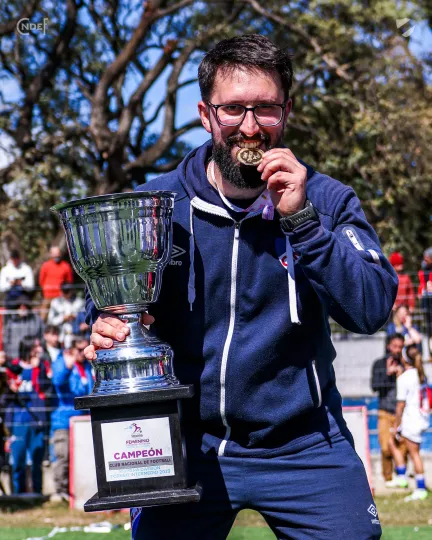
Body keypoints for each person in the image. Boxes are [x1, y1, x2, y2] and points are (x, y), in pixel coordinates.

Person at [84, 35, 398, 539]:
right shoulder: (155, 204)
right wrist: (104, 325)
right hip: (187, 444)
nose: (250, 127)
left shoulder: (327, 200)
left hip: (305, 444)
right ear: (206, 115)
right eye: (233, 109)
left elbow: (372, 307)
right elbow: (109, 304)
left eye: (266, 108)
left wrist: (304, 222)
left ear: (286, 112)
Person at [4, 336, 52, 494]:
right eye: (36, 346)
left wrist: (40, 371)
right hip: (18, 422)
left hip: (37, 421)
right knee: (18, 460)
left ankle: (37, 494)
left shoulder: (42, 367)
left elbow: (47, 391)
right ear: (28, 348)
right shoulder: (13, 367)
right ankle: (18, 495)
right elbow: (4, 398)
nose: (40, 349)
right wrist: (10, 389)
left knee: (37, 460)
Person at [50, 337, 92, 502]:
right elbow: (58, 380)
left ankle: (79, 492)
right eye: (79, 350)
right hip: (64, 420)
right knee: (64, 456)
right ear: (71, 350)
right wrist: (67, 367)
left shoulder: (87, 366)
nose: (82, 353)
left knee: (83, 457)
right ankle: (60, 492)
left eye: (85, 349)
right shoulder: (62, 362)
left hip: (84, 419)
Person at [390, 345, 430, 502]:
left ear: (404, 359)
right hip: (420, 418)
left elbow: (400, 405)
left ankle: (420, 488)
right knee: (399, 446)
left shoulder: (404, 378)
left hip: (411, 419)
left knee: (414, 454)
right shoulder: (421, 374)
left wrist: (396, 425)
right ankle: (402, 476)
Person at [371, 333, 408, 487]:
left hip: (403, 412)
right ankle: (388, 478)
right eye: (395, 346)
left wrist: (402, 375)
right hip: (385, 410)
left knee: (403, 446)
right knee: (386, 447)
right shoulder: (379, 364)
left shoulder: (406, 365)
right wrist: (387, 374)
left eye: (400, 347)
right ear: (388, 346)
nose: (397, 350)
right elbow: (374, 387)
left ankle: (402, 476)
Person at [2, 293, 44, 360]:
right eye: (20, 305)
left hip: (31, 357)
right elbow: (6, 340)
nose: (22, 307)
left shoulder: (36, 320)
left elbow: (41, 337)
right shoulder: (11, 321)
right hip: (13, 357)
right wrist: (7, 355)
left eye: (25, 305)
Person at [38, 246, 74, 321]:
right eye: (54, 255)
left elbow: (69, 281)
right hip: (48, 296)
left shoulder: (66, 266)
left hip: (61, 296)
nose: (56, 257)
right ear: (51, 255)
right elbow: (41, 281)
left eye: (57, 255)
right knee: (43, 317)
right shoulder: (45, 265)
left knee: (62, 316)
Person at [47, 284, 85, 349]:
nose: (66, 294)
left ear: (71, 291)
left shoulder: (79, 302)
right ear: (61, 291)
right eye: (64, 292)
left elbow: (85, 319)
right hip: (60, 336)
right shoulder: (55, 302)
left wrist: (76, 317)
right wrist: (62, 318)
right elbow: (50, 321)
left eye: (68, 291)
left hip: (77, 335)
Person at [418, 247, 432, 358]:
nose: (425, 260)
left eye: (427, 258)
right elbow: (421, 284)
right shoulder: (423, 269)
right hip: (427, 302)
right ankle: (430, 353)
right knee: (428, 328)